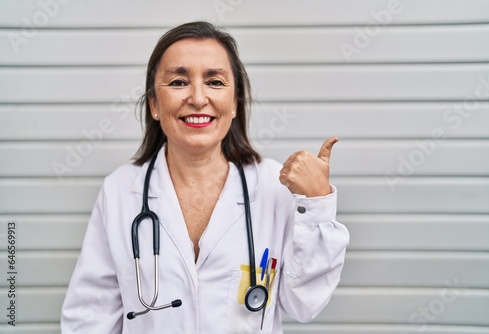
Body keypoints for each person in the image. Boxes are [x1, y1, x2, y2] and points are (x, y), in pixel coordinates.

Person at [61, 21, 349, 333]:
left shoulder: (272, 185)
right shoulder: (119, 191)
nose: (198, 98)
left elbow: (304, 304)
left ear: (235, 102)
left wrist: (318, 204)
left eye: (214, 82)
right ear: (154, 105)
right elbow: (89, 318)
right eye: (178, 82)